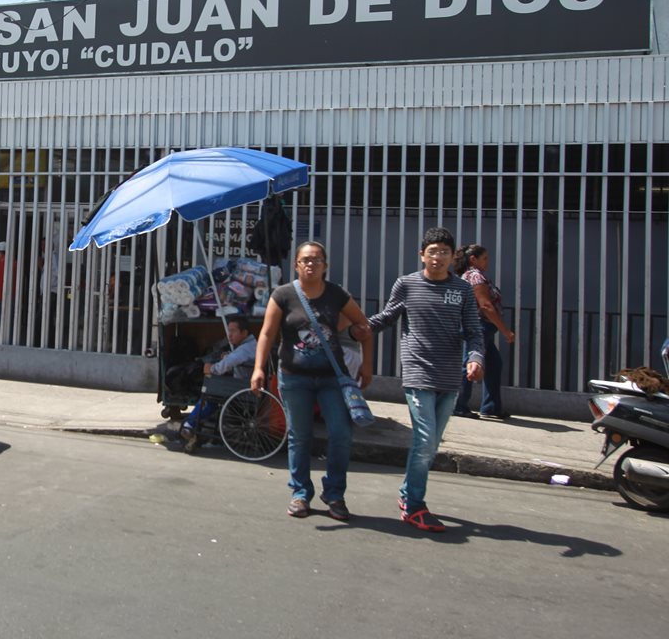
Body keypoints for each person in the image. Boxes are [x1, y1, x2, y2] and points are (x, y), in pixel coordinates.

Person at [362, 227, 484, 532]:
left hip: (449, 375)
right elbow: (387, 317)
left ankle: (409, 495)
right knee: (426, 440)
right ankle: (413, 502)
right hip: (418, 371)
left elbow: (474, 332)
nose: (438, 257)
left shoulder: (462, 290)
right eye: (433, 251)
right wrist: (357, 326)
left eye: (444, 251)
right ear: (422, 255)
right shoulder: (407, 284)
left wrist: (475, 358)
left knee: (431, 444)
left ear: (452, 256)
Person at [251, 241, 373, 521]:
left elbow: (364, 327)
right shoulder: (283, 294)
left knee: (341, 434)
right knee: (299, 436)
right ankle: (300, 493)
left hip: (332, 379)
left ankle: (334, 494)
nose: (311, 264)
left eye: (317, 260)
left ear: (325, 266)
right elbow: (267, 334)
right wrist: (259, 368)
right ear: (296, 265)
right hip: (295, 379)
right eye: (305, 260)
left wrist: (367, 366)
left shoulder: (337, 295)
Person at [453, 244, 516, 419]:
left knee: (494, 364)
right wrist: (505, 331)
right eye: (485, 258)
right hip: (479, 326)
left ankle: (491, 407)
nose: (487, 262)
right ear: (473, 259)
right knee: (470, 364)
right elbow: (486, 305)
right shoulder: (475, 276)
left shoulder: (471, 276)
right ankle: (459, 405)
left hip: (482, 326)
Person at [177, 315, 258, 453]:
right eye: (229, 331)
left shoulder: (245, 349)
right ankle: (190, 424)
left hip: (242, 389)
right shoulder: (250, 345)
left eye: (233, 331)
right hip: (241, 385)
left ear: (244, 333)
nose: (229, 335)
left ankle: (189, 424)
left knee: (209, 390)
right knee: (211, 396)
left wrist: (211, 368)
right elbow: (232, 359)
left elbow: (222, 367)